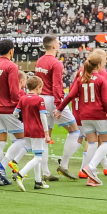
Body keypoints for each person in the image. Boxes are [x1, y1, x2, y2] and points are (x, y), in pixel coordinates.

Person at [55, 50, 107, 186]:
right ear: (99, 65)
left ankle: (90, 178)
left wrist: (59, 109)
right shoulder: (101, 78)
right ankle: (91, 167)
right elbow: (105, 101)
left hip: (84, 116)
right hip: (98, 114)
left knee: (92, 143)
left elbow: (70, 95)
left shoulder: (81, 78)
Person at [35, 35, 81, 181]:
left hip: (41, 99)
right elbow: (56, 85)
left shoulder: (40, 60)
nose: (60, 45)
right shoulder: (56, 63)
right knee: (75, 131)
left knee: (45, 136)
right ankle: (64, 164)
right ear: (54, 46)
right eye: (58, 43)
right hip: (52, 99)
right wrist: (60, 105)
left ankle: (46, 172)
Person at [0, 39, 28, 186]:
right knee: (23, 140)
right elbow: (13, 90)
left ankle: (1, 177)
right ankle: (2, 165)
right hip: (8, 108)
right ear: (11, 50)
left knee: (0, 142)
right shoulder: (11, 66)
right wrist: (19, 106)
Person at [13, 75, 51, 191]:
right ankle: (20, 174)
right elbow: (43, 117)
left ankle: (38, 181)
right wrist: (46, 133)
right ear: (38, 87)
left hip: (27, 130)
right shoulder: (40, 99)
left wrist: (24, 118)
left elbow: (15, 113)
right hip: (37, 130)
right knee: (39, 157)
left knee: (36, 154)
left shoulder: (23, 98)